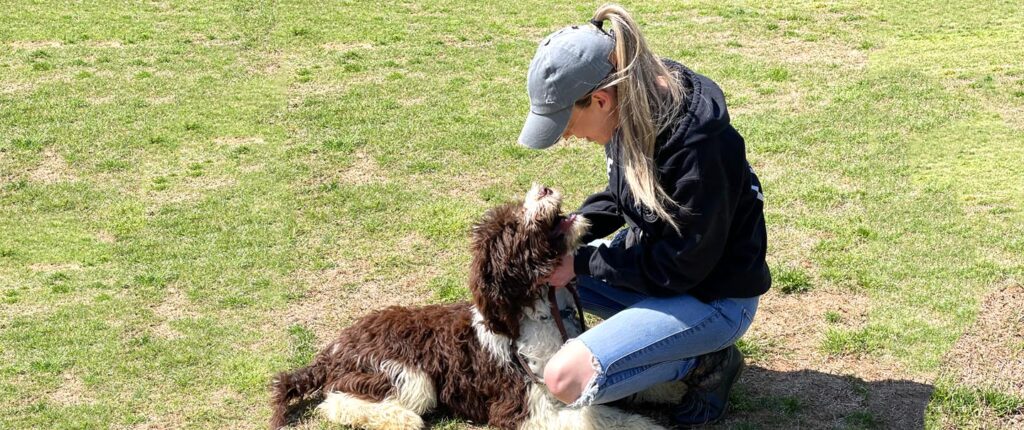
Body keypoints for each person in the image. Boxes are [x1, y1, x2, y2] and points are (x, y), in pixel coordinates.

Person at [516, 3, 771, 426]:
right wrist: (564, 239)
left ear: (600, 99)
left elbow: (680, 265)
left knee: (564, 381)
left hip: (715, 297)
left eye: (565, 123)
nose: (565, 136)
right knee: (547, 277)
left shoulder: (697, 145)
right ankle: (666, 347)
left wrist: (581, 262)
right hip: (670, 272)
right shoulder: (630, 101)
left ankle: (704, 362)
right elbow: (623, 197)